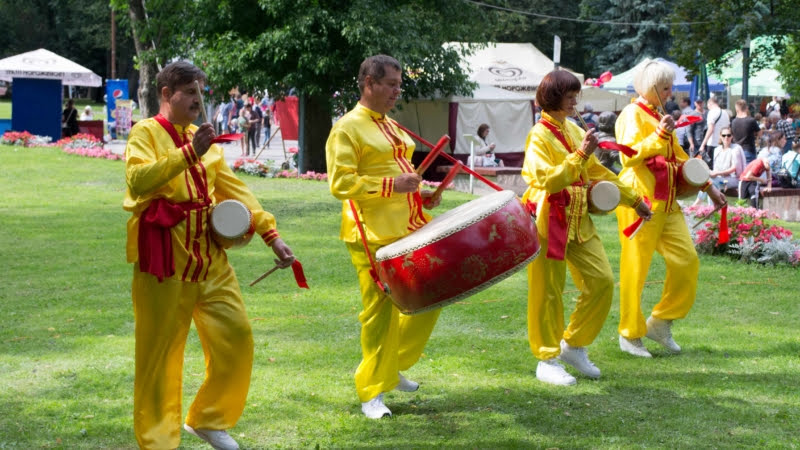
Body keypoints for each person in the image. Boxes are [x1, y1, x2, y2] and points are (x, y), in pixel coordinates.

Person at [123, 61, 295, 450]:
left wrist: (270, 234)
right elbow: (138, 181)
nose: (198, 101)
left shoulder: (204, 141)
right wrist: (187, 153)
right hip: (165, 258)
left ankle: (208, 417)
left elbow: (236, 191)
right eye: (189, 93)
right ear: (167, 94)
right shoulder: (145, 132)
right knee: (161, 354)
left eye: (201, 92)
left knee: (236, 336)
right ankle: (157, 442)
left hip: (211, 258)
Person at [325, 55, 442, 418]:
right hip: (371, 233)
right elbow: (340, 184)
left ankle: (391, 366)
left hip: (409, 225)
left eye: (398, 83)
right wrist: (394, 184)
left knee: (431, 295)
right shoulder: (347, 128)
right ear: (369, 84)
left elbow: (400, 174)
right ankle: (371, 389)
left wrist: (420, 193)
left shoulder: (389, 124)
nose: (397, 90)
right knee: (380, 313)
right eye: (390, 84)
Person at [521, 70, 652, 386]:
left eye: (575, 95)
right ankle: (546, 358)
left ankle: (574, 345)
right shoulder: (539, 135)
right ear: (554, 97)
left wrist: (633, 199)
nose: (575, 101)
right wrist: (580, 154)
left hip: (579, 219)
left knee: (602, 281)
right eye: (570, 96)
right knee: (548, 292)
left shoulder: (574, 128)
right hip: (548, 218)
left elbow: (598, 172)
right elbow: (546, 180)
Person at [614, 59, 726, 358]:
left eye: (670, 86)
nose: (670, 92)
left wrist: (710, 188)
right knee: (636, 267)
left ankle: (660, 322)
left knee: (686, 260)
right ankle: (629, 333)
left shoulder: (659, 113)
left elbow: (679, 157)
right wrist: (660, 135)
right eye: (665, 87)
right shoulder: (631, 114)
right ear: (650, 87)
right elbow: (628, 157)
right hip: (640, 200)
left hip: (667, 200)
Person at [693, 126, 743, 205]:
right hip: (719, 178)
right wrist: (712, 173)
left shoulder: (736, 148)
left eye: (728, 135)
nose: (726, 137)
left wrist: (717, 173)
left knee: (712, 182)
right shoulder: (717, 150)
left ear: (732, 136)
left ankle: (699, 204)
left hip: (732, 179)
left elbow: (734, 168)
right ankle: (708, 205)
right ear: (720, 136)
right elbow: (715, 168)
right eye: (724, 135)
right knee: (709, 180)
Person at [698, 95, 729, 168]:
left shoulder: (712, 112)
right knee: (721, 166)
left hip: (713, 144)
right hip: (723, 144)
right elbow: (728, 128)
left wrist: (703, 144)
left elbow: (710, 129)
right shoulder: (725, 113)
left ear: (710, 103)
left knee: (711, 167)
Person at [731, 99, 761, 164]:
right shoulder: (751, 120)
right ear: (746, 108)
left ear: (736, 109)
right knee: (748, 172)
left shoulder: (733, 122)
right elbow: (760, 133)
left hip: (736, 150)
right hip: (748, 150)